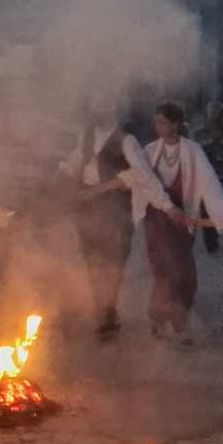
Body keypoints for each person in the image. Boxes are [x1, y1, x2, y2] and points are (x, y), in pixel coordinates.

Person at [121, 102, 223, 344]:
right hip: (156, 219)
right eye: (156, 122)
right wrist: (111, 183)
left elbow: (209, 182)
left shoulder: (193, 151)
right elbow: (138, 177)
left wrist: (222, 216)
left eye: (162, 122)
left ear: (175, 124)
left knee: (184, 273)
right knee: (162, 270)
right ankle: (165, 321)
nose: (157, 126)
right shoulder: (150, 149)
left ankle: (173, 319)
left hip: (182, 219)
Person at [61, 100, 133, 337]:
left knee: (114, 259)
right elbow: (74, 162)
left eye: (102, 106)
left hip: (116, 207)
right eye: (95, 107)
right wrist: (63, 176)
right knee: (91, 258)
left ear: (112, 109)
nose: (96, 112)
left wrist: (107, 187)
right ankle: (101, 308)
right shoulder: (87, 134)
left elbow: (139, 173)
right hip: (86, 205)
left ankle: (109, 308)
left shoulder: (126, 139)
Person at [195, 100, 223, 254]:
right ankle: (211, 242)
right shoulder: (199, 132)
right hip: (204, 176)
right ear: (208, 113)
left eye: (219, 112)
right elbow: (193, 152)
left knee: (219, 207)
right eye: (213, 112)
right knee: (206, 209)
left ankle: (214, 232)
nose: (216, 115)